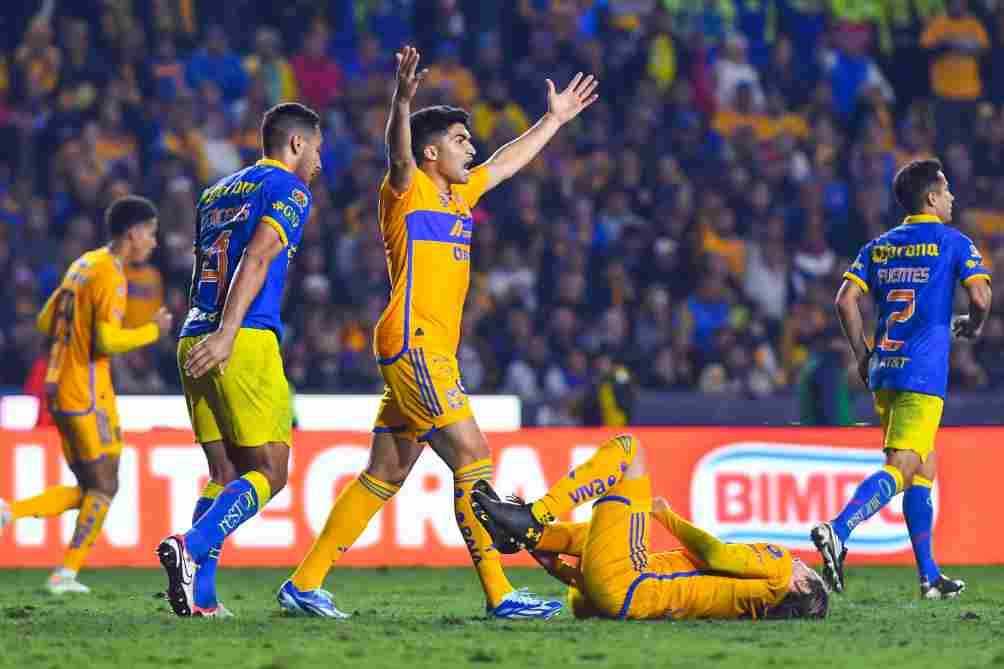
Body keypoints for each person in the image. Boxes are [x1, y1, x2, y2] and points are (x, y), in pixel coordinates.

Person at [277, 46, 598, 620]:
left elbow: (505, 161)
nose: (470, 148)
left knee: (387, 471)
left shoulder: (461, 193)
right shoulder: (409, 190)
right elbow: (398, 155)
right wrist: (402, 101)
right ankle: (501, 595)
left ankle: (305, 582)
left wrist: (553, 120)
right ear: (431, 151)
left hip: (429, 349)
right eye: (459, 140)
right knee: (473, 456)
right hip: (414, 344)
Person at [156, 102, 322, 618]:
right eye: (317, 147)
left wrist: (210, 330)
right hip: (241, 338)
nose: (319, 159)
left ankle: (201, 598)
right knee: (271, 472)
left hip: (192, 334)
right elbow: (255, 257)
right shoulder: (290, 189)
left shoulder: (215, 192)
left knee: (225, 470)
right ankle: (192, 544)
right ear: (295, 143)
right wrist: (229, 333)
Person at [811, 158, 992, 599]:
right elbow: (982, 295)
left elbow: (845, 300)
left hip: (884, 371)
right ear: (931, 198)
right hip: (923, 374)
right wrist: (974, 323)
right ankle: (839, 529)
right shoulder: (952, 241)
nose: (952, 198)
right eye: (946, 190)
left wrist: (860, 355)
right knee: (904, 466)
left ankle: (929, 577)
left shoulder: (880, 246)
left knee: (923, 467)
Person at [0, 196, 172, 594]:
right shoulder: (111, 277)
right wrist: (152, 331)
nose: (154, 242)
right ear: (133, 233)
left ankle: (15, 517)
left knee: (100, 483)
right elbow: (107, 339)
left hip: (64, 384)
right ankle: (63, 571)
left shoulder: (82, 265)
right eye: (151, 233)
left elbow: (45, 320)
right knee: (103, 486)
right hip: (84, 392)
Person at [468, 434, 829, 621]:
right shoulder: (750, 609)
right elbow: (619, 596)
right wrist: (560, 568)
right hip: (606, 600)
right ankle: (527, 535)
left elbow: (716, 553)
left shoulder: (779, 570)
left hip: (624, 583)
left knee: (629, 451)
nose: (799, 560)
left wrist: (666, 515)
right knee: (614, 533)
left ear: (799, 584)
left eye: (806, 569)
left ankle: (534, 518)